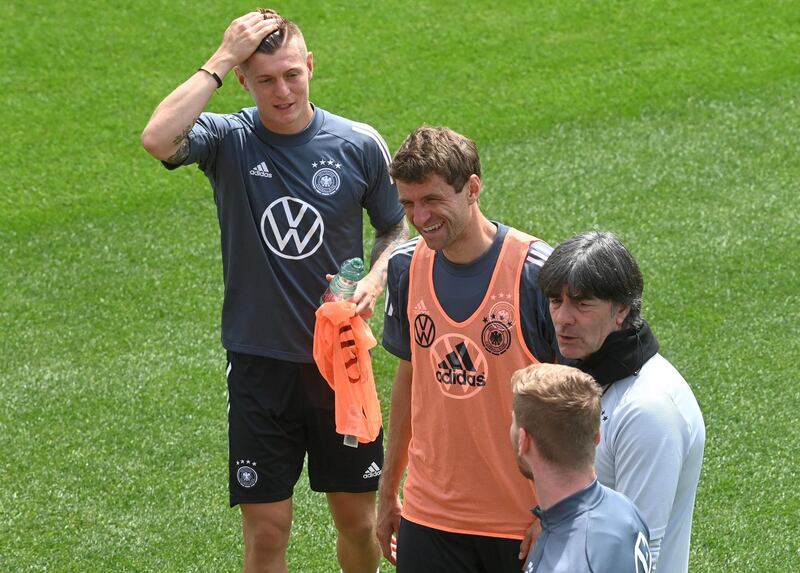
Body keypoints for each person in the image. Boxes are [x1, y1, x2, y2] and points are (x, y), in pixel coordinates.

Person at [140, 9, 408, 573]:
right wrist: (220, 57)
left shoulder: (358, 144)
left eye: (292, 74)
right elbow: (158, 138)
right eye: (264, 79)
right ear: (243, 79)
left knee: (358, 523)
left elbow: (394, 226)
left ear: (310, 67)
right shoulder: (228, 139)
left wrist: (376, 278)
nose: (282, 91)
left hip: (341, 365)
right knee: (268, 532)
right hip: (260, 366)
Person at [377, 125, 559, 572]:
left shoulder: (537, 274)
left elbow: (579, 400)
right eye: (408, 204)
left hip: (518, 522)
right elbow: (410, 380)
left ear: (472, 188)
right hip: (429, 515)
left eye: (432, 200)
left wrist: (556, 508)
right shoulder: (404, 267)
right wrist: (388, 490)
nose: (420, 218)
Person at [538, 231, 705, 573]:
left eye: (582, 303)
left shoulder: (646, 410)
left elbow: (636, 555)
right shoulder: (591, 374)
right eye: (556, 301)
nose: (562, 318)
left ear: (622, 311)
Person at [510, 362, 653, 573]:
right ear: (597, 437)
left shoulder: (567, 562)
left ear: (524, 441)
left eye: (513, 420)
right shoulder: (624, 511)